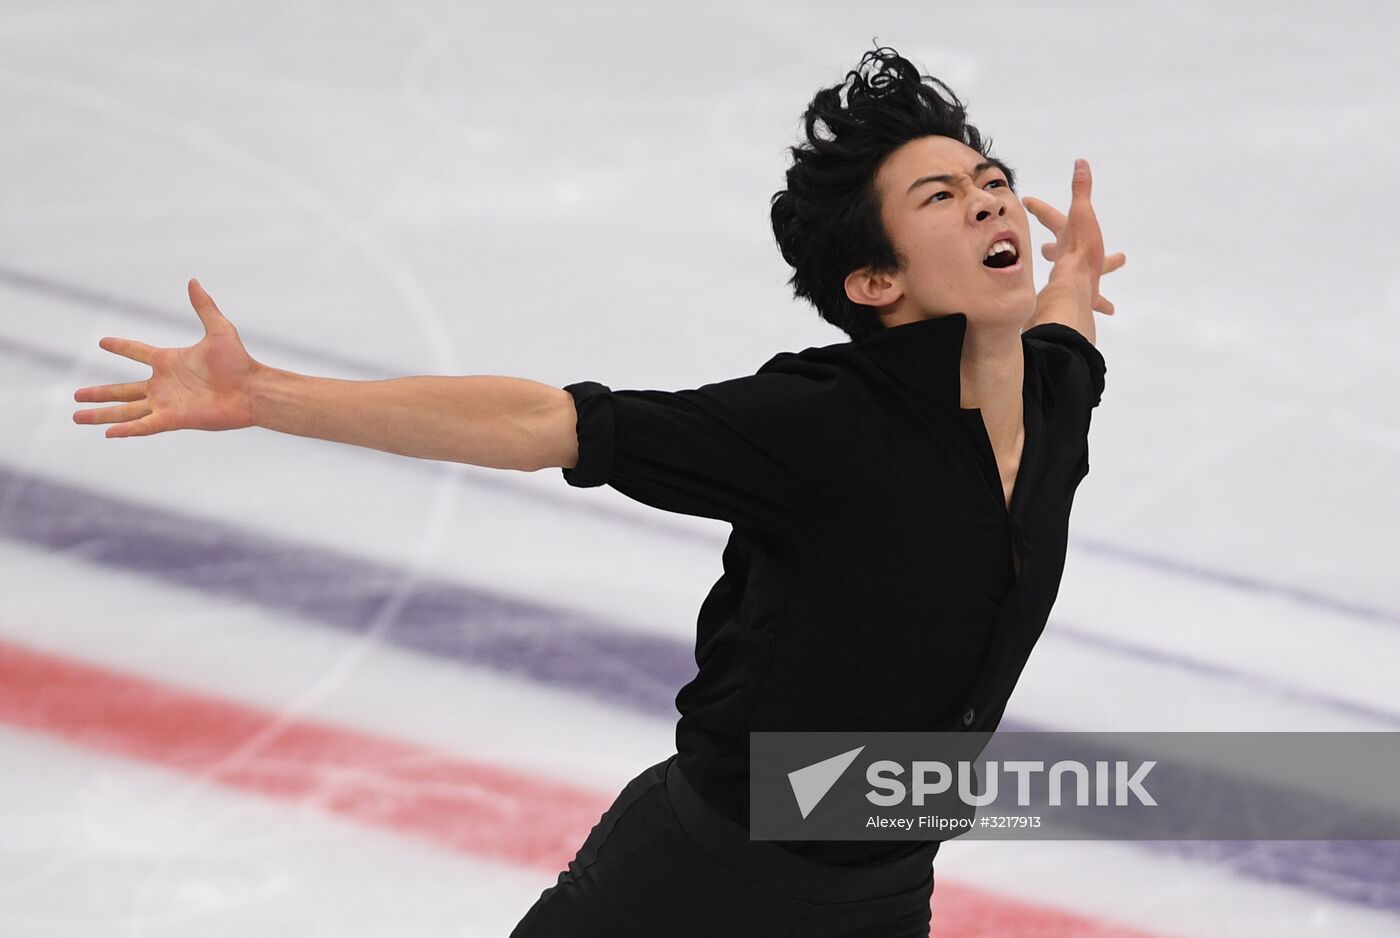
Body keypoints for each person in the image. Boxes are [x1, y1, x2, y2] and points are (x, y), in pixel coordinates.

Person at [72, 45, 1123, 938]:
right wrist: (265, 394)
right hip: (692, 882)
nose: (988, 197)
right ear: (872, 282)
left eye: (988, 179)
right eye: (939, 195)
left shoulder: (1055, 388)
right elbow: (542, 422)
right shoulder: (817, 423)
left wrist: (1069, 267)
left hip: (882, 890)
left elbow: (1061, 320)